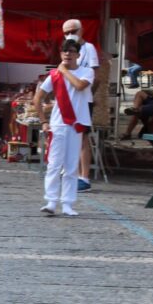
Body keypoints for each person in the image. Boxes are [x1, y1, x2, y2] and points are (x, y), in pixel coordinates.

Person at [33, 39, 93, 217]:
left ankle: (67, 203)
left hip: (76, 123)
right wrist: (44, 121)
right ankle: (51, 201)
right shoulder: (54, 75)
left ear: (78, 55)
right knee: (54, 164)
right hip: (58, 123)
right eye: (65, 52)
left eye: (72, 51)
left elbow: (80, 86)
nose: (68, 54)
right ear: (61, 54)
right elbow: (38, 98)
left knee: (71, 165)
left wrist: (64, 70)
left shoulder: (86, 71)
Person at [62, 20, 99, 193]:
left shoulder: (88, 48)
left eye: (73, 31)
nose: (70, 35)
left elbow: (95, 75)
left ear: (81, 30)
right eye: (66, 32)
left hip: (84, 98)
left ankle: (84, 177)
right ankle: (72, 173)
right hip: (69, 98)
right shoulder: (66, 51)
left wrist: (90, 93)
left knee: (82, 137)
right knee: (69, 134)